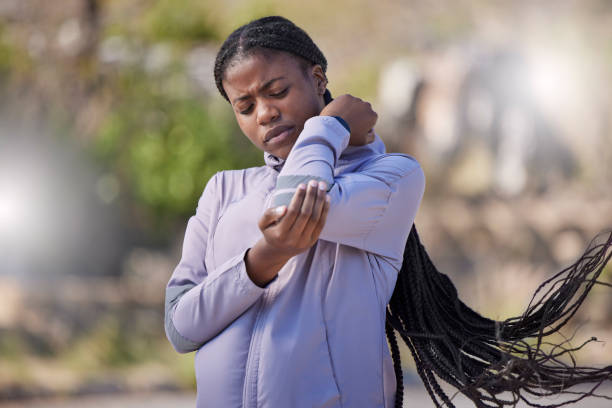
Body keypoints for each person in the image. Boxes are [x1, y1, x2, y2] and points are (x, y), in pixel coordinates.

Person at [165, 16, 612, 408]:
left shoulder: (390, 177)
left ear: (319, 79)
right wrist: (262, 261)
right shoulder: (223, 189)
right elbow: (182, 326)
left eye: (277, 91)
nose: (264, 114)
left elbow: (288, 207)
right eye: (244, 107)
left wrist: (329, 127)